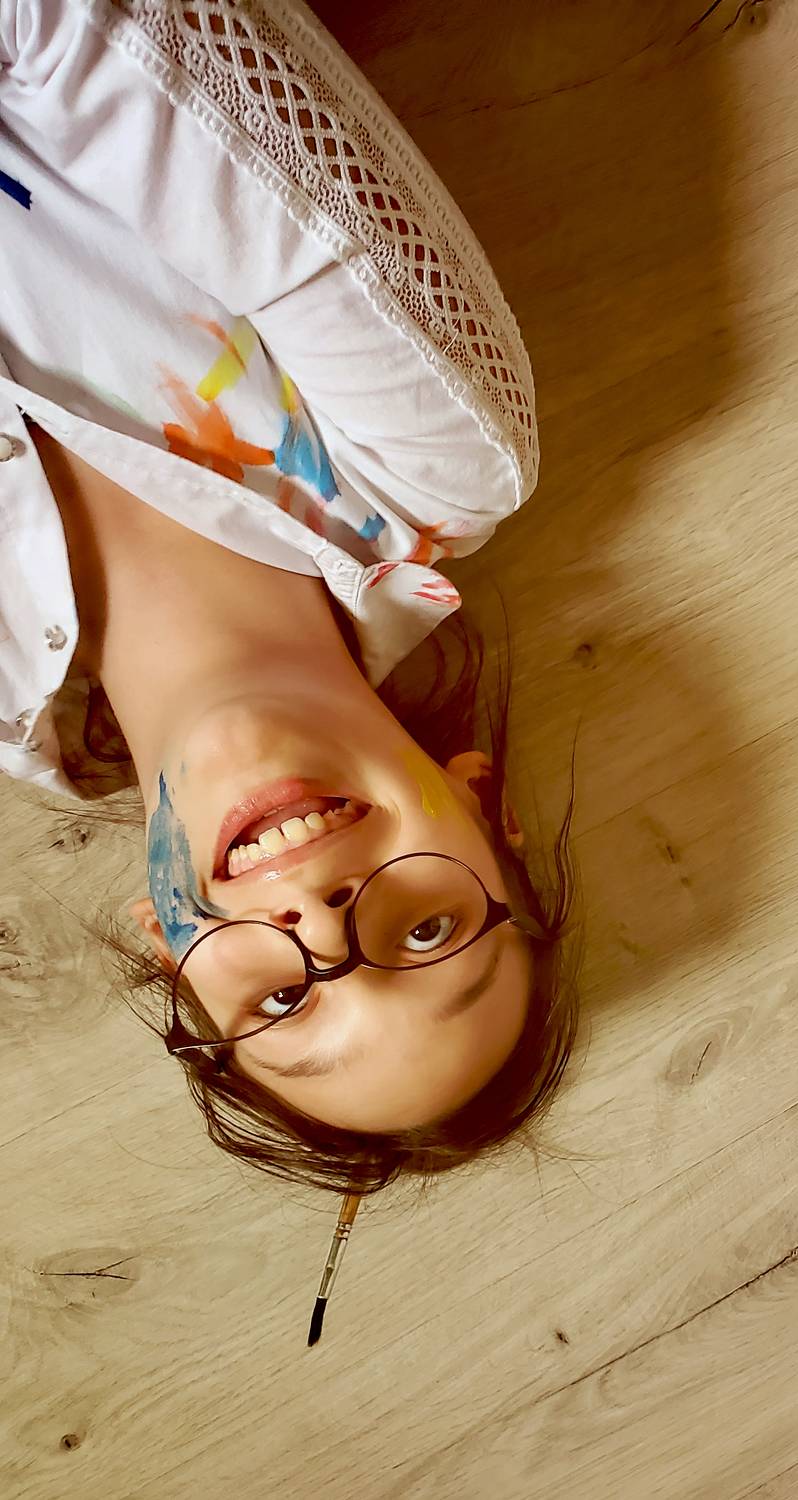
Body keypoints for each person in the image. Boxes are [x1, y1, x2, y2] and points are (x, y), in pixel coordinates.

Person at [0, 0, 575, 1195]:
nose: (321, 914)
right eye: (425, 931)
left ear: (168, 950)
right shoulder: (432, 456)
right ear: (485, 809)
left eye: (277, 1000)